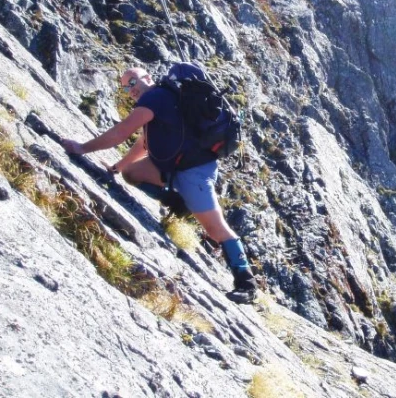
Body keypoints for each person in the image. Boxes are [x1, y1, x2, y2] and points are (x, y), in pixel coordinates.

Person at [62, 66, 257, 303]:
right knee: (132, 173)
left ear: (148, 78)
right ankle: (179, 203)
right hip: (175, 164)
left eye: (133, 81)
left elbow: (121, 133)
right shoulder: (163, 98)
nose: (130, 89)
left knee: (215, 229)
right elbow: (144, 144)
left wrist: (82, 148)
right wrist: (118, 167)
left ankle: (246, 283)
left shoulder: (155, 98)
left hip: (193, 172)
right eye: (125, 86)